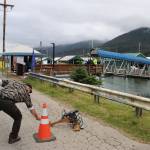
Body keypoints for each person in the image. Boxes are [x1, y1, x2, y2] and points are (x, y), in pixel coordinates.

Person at [0, 79, 41, 144]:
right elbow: (31, 108)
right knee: (18, 117)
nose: (29, 92)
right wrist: (37, 117)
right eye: (30, 91)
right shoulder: (26, 93)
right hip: (7, 102)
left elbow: (1, 81)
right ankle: (13, 137)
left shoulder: (14, 82)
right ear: (28, 87)